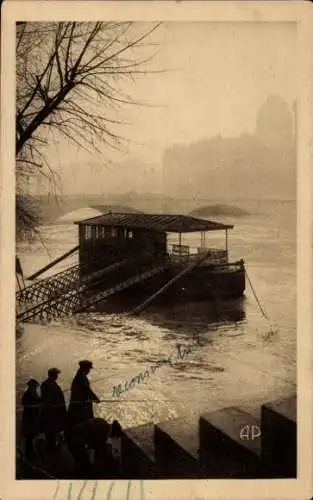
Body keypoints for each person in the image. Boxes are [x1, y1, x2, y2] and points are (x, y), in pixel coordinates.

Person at [40, 367, 67, 455]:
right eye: (56, 375)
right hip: (51, 414)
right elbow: (47, 400)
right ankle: (51, 453)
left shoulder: (48, 384)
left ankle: (51, 451)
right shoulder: (48, 385)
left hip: (54, 414)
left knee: (52, 434)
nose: (57, 376)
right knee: (51, 434)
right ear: (54, 375)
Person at [67, 360, 100, 427]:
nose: (89, 371)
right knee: (81, 423)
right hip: (80, 406)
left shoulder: (80, 376)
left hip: (78, 404)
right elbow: (87, 390)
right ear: (85, 368)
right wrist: (95, 398)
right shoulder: (81, 377)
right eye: (89, 368)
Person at [21, 379, 41, 461]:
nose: (35, 388)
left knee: (31, 436)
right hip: (29, 419)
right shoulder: (27, 394)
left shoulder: (33, 394)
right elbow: (26, 404)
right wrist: (36, 405)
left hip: (32, 419)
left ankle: (30, 452)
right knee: (29, 437)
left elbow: (39, 400)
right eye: (34, 387)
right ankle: (28, 454)